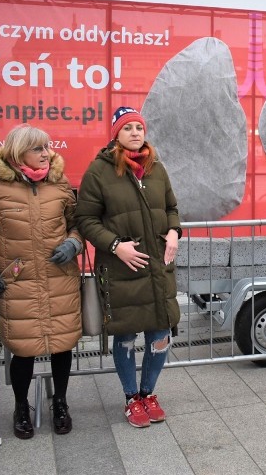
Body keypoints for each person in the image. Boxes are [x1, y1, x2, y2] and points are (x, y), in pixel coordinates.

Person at [0, 124, 83, 439]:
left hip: (58, 277)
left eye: (47, 147)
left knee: (62, 345)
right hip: (17, 282)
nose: (46, 153)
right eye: (38, 148)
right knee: (23, 348)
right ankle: (21, 406)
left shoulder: (59, 181)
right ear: (19, 152)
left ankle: (60, 402)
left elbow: (78, 223)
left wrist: (73, 243)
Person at [75, 107, 181, 428]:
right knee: (124, 338)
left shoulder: (157, 168)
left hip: (157, 270)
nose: (136, 132)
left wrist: (175, 231)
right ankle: (130, 397)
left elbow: (172, 208)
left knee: (160, 336)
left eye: (139, 127)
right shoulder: (99, 171)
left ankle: (148, 393)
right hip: (121, 271)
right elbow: (85, 219)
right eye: (128, 128)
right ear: (116, 135)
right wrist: (114, 245)